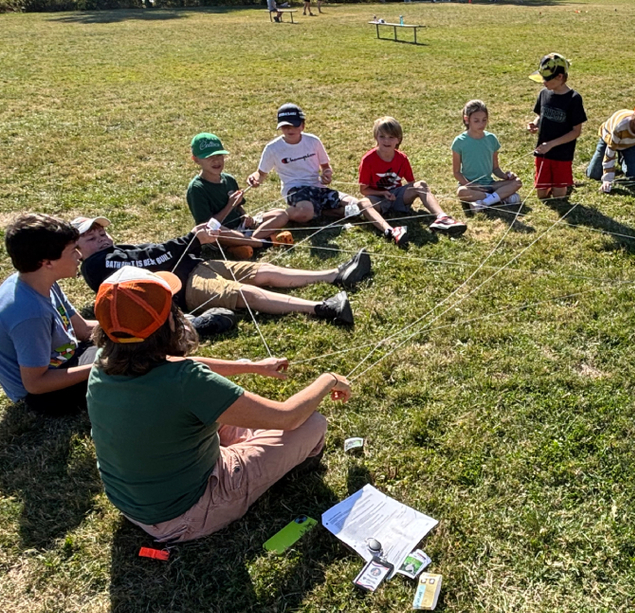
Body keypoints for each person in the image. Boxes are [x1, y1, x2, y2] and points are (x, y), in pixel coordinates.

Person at [87, 266, 351, 543]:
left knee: (223, 416)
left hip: (133, 504)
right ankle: (278, 466)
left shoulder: (103, 361)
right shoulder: (187, 383)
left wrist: (250, 367)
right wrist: (329, 379)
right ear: (169, 324)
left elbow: (179, 364)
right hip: (186, 515)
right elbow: (288, 417)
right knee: (311, 424)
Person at [74, 215, 366, 328]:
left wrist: (192, 242)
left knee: (262, 270)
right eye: (91, 237)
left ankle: (334, 274)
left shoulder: (114, 249)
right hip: (185, 287)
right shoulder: (96, 265)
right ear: (77, 251)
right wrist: (190, 239)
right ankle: (322, 308)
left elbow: (153, 251)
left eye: (101, 232)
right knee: (243, 293)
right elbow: (149, 261)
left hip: (197, 266)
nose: (101, 238)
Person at [0, 214, 97, 416]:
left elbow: (82, 330)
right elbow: (35, 384)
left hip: (68, 360)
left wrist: (134, 325)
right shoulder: (30, 314)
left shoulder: (39, 281)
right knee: (132, 366)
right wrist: (100, 366)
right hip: (46, 395)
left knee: (133, 347)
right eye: (73, 250)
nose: (79, 255)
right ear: (47, 263)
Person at [248, 103, 390, 237]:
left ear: (302, 125)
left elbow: (326, 166)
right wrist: (255, 179)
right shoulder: (273, 148)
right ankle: (277, 215)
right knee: (306, 213)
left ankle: (325, 212)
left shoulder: (313, 141)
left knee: (357, 206)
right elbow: (261, 173)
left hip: (318, 187)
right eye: (285, 126)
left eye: (294, 125)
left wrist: (327, 174)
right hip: (295, 190)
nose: (290, 130)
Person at [359, 116, 466, 242]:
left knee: (421, 185)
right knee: (362, 203)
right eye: (382, 136)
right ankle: (391, 231)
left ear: (398, 139)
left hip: (397, 197)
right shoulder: (368, 160)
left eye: (391, 137)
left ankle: (442, 218)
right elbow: (364, 190)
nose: (386, 141)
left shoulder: (402, 158)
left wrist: (405, 194)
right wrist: (383, 193)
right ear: (376, 137)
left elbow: (411, 183)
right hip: (379, 199)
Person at [187, 133, 289, 258]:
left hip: (241, 227)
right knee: (216, 231)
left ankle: (246, 243)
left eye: (219, 155)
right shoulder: (197, 188)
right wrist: (230, 205)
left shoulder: (229, 179)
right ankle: (263, 243)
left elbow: (239, 207)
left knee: (281, 214)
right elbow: (207, 226)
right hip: (220, 233)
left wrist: (245, 215)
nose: (216, 161)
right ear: (196, 159)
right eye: (209, 157)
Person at [526, 53, 587, 200]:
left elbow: (576, 131)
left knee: (559, 196)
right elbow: (541, 115)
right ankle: (561, 185)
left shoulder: (573, 99)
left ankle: (565, 186)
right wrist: (535, 123)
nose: (543, 82)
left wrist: (551, 144)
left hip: (561, 155)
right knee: (542, 196)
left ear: (560, 77)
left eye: (547, 79)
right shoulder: (544, 94)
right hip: (543, 152)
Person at [452, 100, 522, 212]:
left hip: (490, 185)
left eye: (484, 120)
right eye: (476, 121)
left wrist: (506, 176)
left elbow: (495, 168)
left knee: (517, 182)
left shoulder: (491, 139)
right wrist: (471, 185)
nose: (481, 124)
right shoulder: (459, 142)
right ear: (467, 119)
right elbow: (456, 172)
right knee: (461, 192)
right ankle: (500, 198)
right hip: (471, 187)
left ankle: (484, 202)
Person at [586, 99, 635, 193]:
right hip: (609, 140)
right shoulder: (620, 127)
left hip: (629, 144)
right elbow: (610, 152)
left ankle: (623, 159)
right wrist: (607, 179)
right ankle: (619, 157)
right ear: (634, 118)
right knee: (594, 174)